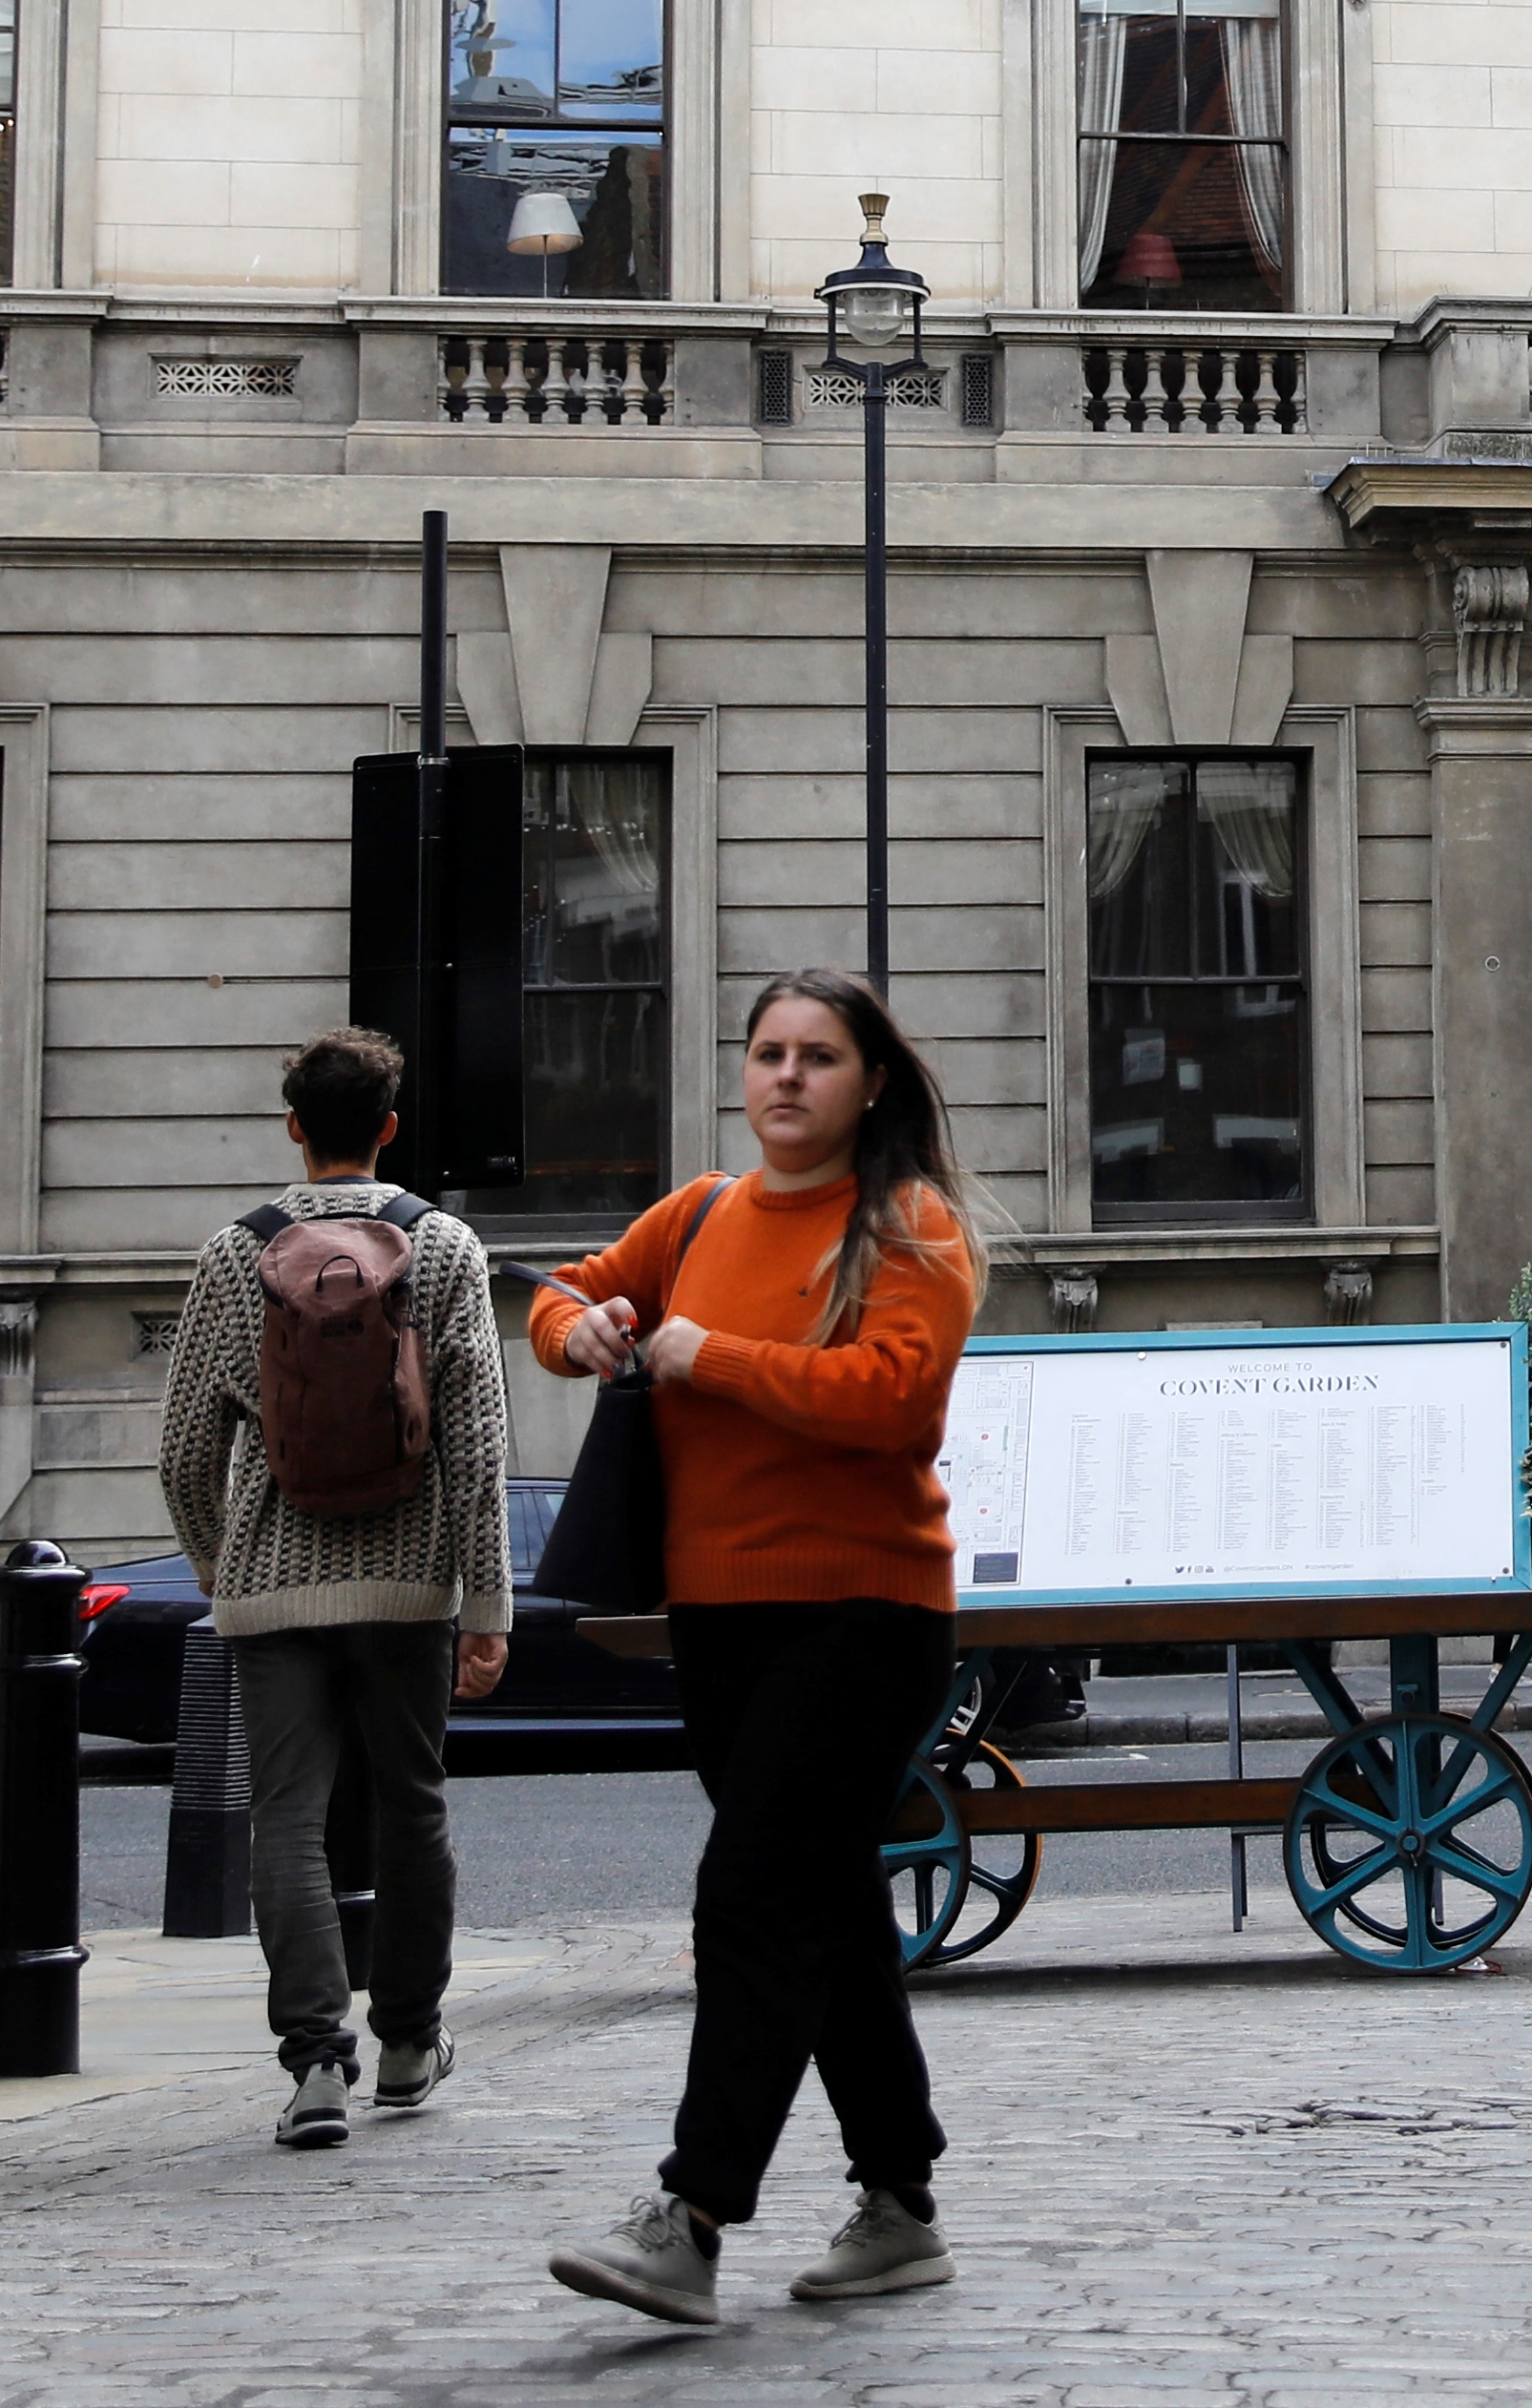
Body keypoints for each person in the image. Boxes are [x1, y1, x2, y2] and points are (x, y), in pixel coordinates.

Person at [528, 971, 982, 2326]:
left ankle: (693, 2213)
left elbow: (893, 1398)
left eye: (818, 1055)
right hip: (718, 1615)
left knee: (750, 1896)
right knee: (822, 1905)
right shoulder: (699, 1213)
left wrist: (707, 1355)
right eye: (769, 1052)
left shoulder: (909, 1222)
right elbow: (562, 1297)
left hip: (865, 1612)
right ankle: (899, 2205)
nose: (786, 1075)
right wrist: (582, 1330)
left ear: (871, 1081)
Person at [153, 1023, 513, 2149]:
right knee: (412, 1809)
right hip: (409, 1587)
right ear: (389, 1127)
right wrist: (486, 1604)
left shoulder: (233, 1254)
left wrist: (218, 1559)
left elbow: (183, 1450)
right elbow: (477, 1443)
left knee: (287, 1821)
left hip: (274, 1590)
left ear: (294, 1128)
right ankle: (407, 2043)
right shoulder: (443, 1245)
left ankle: (315, 2063)